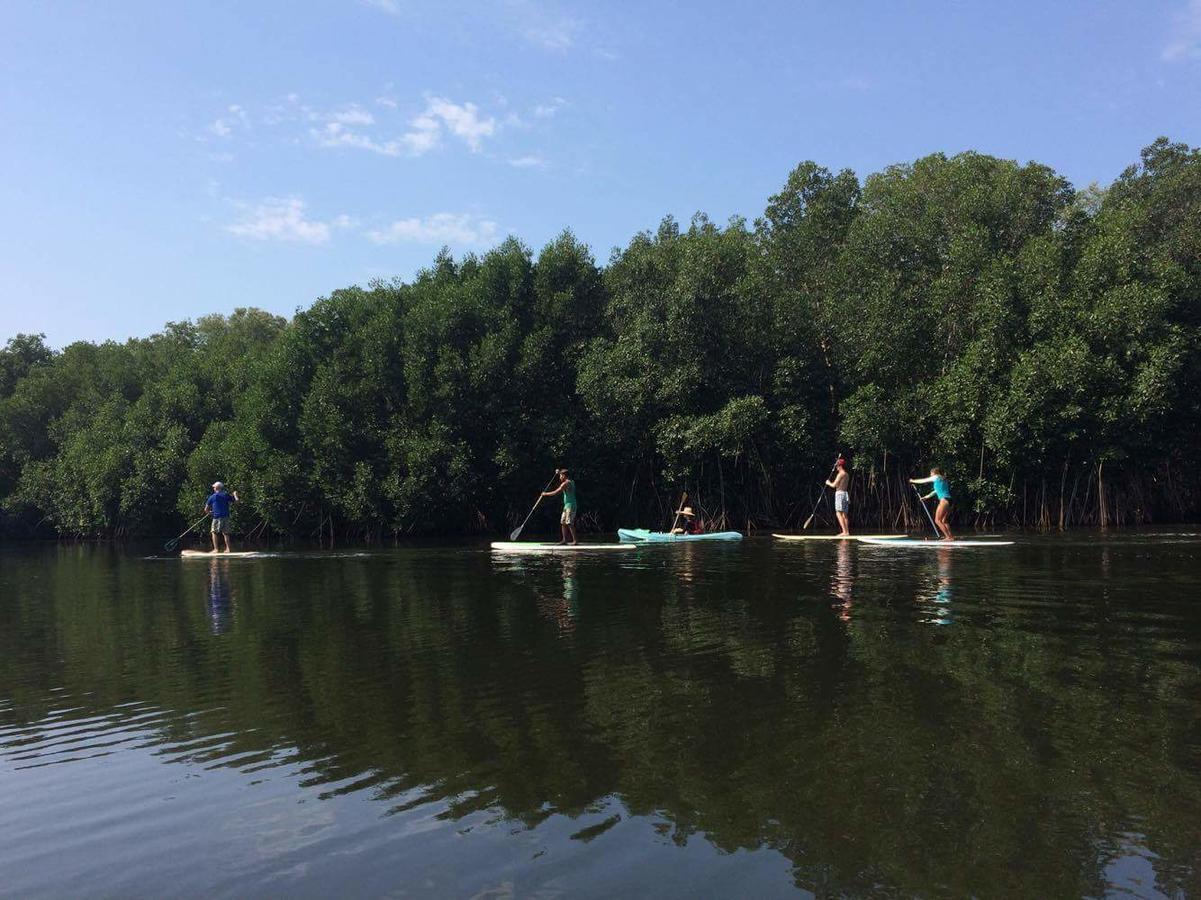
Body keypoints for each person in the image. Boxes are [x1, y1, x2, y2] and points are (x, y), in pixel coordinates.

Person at [910, 468, 954, 541]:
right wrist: (926, 497)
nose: (930, 475)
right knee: (944, 521)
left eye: (931, 473)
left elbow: (924, 481)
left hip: (944, 501)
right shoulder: (943, 479)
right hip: (950, 501)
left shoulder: (936, 477)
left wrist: (912, 481)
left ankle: (948, 537)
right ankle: (951, 537)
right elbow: (936, 491)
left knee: (937, 520)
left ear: (934, 473)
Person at [541, 469, 577, 545]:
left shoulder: (566, 483)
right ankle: (564, 540)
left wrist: (545, 494)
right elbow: (564, 473)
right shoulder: (571, 481)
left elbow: (555, 492)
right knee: (563, 522)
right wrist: (558, 472)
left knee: (569, 522)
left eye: (561, 476)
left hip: (571, 505)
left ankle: (575, 541)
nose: (560, 477)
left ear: (564, 476)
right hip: (566, 506)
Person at [204, 481, 240, 553]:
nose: (213, 488)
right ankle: (228, 549)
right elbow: (237, 502)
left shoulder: (212, 497)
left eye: (214, 487)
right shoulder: (226, 495)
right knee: (226, 533)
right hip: (226, 517)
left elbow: (206, 509)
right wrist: (235, 495)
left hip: (217, 517)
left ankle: (216, 549)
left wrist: (210, 513)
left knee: (214, 532)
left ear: (216, 488)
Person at [825, 457, 852, 536]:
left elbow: (834, 485)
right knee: (845, 514)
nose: (836, 467)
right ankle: (847, 532)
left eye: (837, 466)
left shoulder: (840, 474)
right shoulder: (847, 474)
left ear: (840, 466)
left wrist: (828, 482)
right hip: (845, 494)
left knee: (838, 513)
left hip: (840, 494)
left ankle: (844, 532)